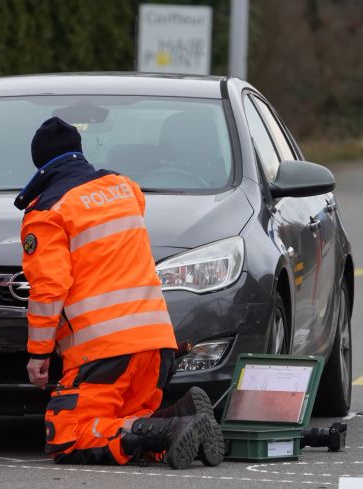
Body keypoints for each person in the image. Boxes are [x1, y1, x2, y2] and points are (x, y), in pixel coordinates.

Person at [16, 117, 224, 469]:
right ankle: (179, 417)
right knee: (124, 420)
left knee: (67, 434)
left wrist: (38, 354)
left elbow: (50, 287)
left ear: (40, 165)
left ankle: (175, 427)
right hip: (156, 346)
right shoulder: (125, 188)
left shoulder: (47, 212)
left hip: (104, 351)